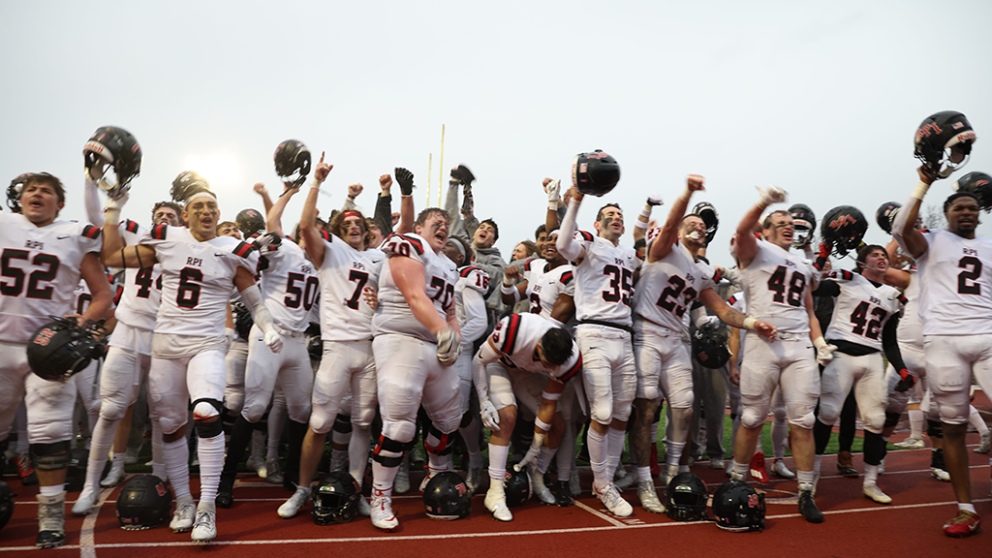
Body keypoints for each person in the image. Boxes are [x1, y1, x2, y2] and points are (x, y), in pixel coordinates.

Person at [101, 186, 283, 542]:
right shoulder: (167, 239)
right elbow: (110, 256)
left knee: (206, 413)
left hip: (207, 345)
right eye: (197, 206)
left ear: (218, 213)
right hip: (166, 347)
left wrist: (270, 327)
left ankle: (207, 507)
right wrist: (113, 209)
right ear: (185, 215)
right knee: (170, 425)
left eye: (211, 206)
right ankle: (184, 499)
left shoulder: (233, 249)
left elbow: (256, 303)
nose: (205, 211)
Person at [628, 177, 776, 514]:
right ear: (679, 230)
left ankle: (675, 469)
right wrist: (688, 194)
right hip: (647, 334)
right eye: (690, 224)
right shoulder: (665, 248)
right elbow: (667, 227)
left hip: (677, 340)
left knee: (684, 405)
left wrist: (753, 322)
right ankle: (643, 480)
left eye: (701, 226)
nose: (697, 228)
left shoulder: (701, 272)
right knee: (647, 407)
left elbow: (723, 310)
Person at [0, 173, 113, 548]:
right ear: (20, 198)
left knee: (50, 434)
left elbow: (102, 295)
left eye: (46, 190)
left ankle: (49, 514)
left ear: (59, 203)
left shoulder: (75, 235)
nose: (37, 194)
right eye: (31, 189)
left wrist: (84, 322)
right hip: (0, 344)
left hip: (48, 348)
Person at [277, 156, 384, 520]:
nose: (354, 226)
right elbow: (306, 227)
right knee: (320, 422)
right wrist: (317, 183)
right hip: (338, 346)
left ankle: (354, 488)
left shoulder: (376, 259)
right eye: (347, 222)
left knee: (364, 421)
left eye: (359, 223)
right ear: (338, 229)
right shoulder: (329, 250)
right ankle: (303, 489)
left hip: (368, 349)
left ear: (368, 231)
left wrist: (381, 299)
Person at [892, 160, 990, 537]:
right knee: (952, 427)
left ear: (979, 215)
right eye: (958, 207)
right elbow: (901, 227)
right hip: (944, 342)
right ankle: (966, 508)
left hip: (987, 336)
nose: (966, 212)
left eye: (971, 208)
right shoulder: (931, 241)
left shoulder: (989, 247)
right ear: (947, 214)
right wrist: (922, 185)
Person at [73, 184, 182, 516]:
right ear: (153, 220)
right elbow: (98, 219)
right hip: (130, 330)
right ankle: (93, 483)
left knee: (164, 415)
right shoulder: (138, 235)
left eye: (171, 215)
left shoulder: (186, 245)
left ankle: (160, 478)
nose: (164, 218)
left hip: (167, 336)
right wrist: (105, 195)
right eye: (160, 214)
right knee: (111, 408)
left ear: (181, 222)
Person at [367, 166, 461, 531]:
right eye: (435, 221)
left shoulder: (451, 264)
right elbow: (414, 295)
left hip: (435, 344)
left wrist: (451, 335)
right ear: (418, 228)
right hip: (401, 340)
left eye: (446, 223)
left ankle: (436, 475)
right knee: (400, 427)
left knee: (449, 421)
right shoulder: (409, 244)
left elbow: (451, 309)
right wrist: (443, 332)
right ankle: (380, 495)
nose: (442, 226)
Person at [217, 181, 318, 508]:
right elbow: (274, 222)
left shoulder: (321, 259)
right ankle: (226, 480)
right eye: (308, 222)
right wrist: (288, 191)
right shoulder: (285, 247)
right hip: (269, 335)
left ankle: (292, 475)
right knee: (255, 407)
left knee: (302, 411)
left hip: (298, 342)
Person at [730, 186, 827, 524]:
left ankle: (805, 491)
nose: (789, 226)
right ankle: (737, 481)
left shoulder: (802, 262)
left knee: (804, 420)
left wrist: (820, 342)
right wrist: (763, 203)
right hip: (762, 343)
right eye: (780, 222)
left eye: (791, 222)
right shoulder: (754, 250)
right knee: (752, 418)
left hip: (799, 343)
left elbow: (810, 309)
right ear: (766, 230)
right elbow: (742, 231)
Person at [555, 189, 640, 517]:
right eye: (610, 215)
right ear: (597, 222)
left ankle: (607, 478)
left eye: (620, 215)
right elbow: (564, 245)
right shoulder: (587, 244)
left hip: (624, 336)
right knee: (602, 413)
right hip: (594, 332)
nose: (617, 219)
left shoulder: (629, 253)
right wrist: (574, 200)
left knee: (621, 414)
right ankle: (602, 482)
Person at [811, 243, 908, 505]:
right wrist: (821, 258)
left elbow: (890, 340)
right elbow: (813, 288)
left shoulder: (892, 295)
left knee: (875, 420)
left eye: (884, 255)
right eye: (875, 254)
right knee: (828, 413)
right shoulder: (847, 279)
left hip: (872, 358)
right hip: (840, 354)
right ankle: (811, 476)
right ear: (863, 262)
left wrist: (901, 369)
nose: (881, 258)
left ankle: (871, 483)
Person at [474, 313, 582, 521]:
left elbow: (549, 402)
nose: (551, 370)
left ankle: (539, 475)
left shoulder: (569, 359)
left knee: (557, 423)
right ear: (540, 346)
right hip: (498, 364)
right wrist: (484, 401)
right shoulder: (514, 330)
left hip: (526, 373)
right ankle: (495, 492)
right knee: (507, 416)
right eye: (549, 364)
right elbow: (478, 361)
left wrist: (536, 444)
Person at [441, 236, 489, 494]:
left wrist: (453, 343)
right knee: (434, 414)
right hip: (430, 348)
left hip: (457, 351)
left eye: (449, 244)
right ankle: (441, 467)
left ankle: (474, 458)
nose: (442, 245)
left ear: (461, 257)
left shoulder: (466, 276)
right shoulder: (427, 270)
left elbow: (478, 322)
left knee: (457, 414)